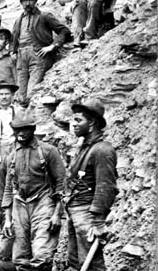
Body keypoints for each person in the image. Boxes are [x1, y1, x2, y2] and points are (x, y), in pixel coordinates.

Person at [1, 113, 66, 271]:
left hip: (43, 202)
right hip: (20, 205)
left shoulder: (48, 151)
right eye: (17, 130)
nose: (21, 134)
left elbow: (61, 184)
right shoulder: (11, 157)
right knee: (20, 257)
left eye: (25, 130)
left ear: (33, 129)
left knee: (42, 253)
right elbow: (9, 188)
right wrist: (8, 219)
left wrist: (57, 214)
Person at [66, 99, 118, 271]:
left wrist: (98, 221)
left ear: (92, 123)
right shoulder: (85, 148)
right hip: (75, 210)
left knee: (92, 265)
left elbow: (105, 186)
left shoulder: (103, 150)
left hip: (88, 213)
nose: (73, 124)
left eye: (78, 120)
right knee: (75, 262)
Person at [10, 0, 71, 105]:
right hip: (21, 58)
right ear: (21, 3)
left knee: (31, 93)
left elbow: (64, 31)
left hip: (38, 55)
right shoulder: (18, 20)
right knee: (20, 96)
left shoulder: (44, 16)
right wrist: (13, 51)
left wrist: (52, 46)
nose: (28, 3)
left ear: (35, 1)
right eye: (25, 1)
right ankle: (23, 121)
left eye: (30, 0)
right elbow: (13, 38)